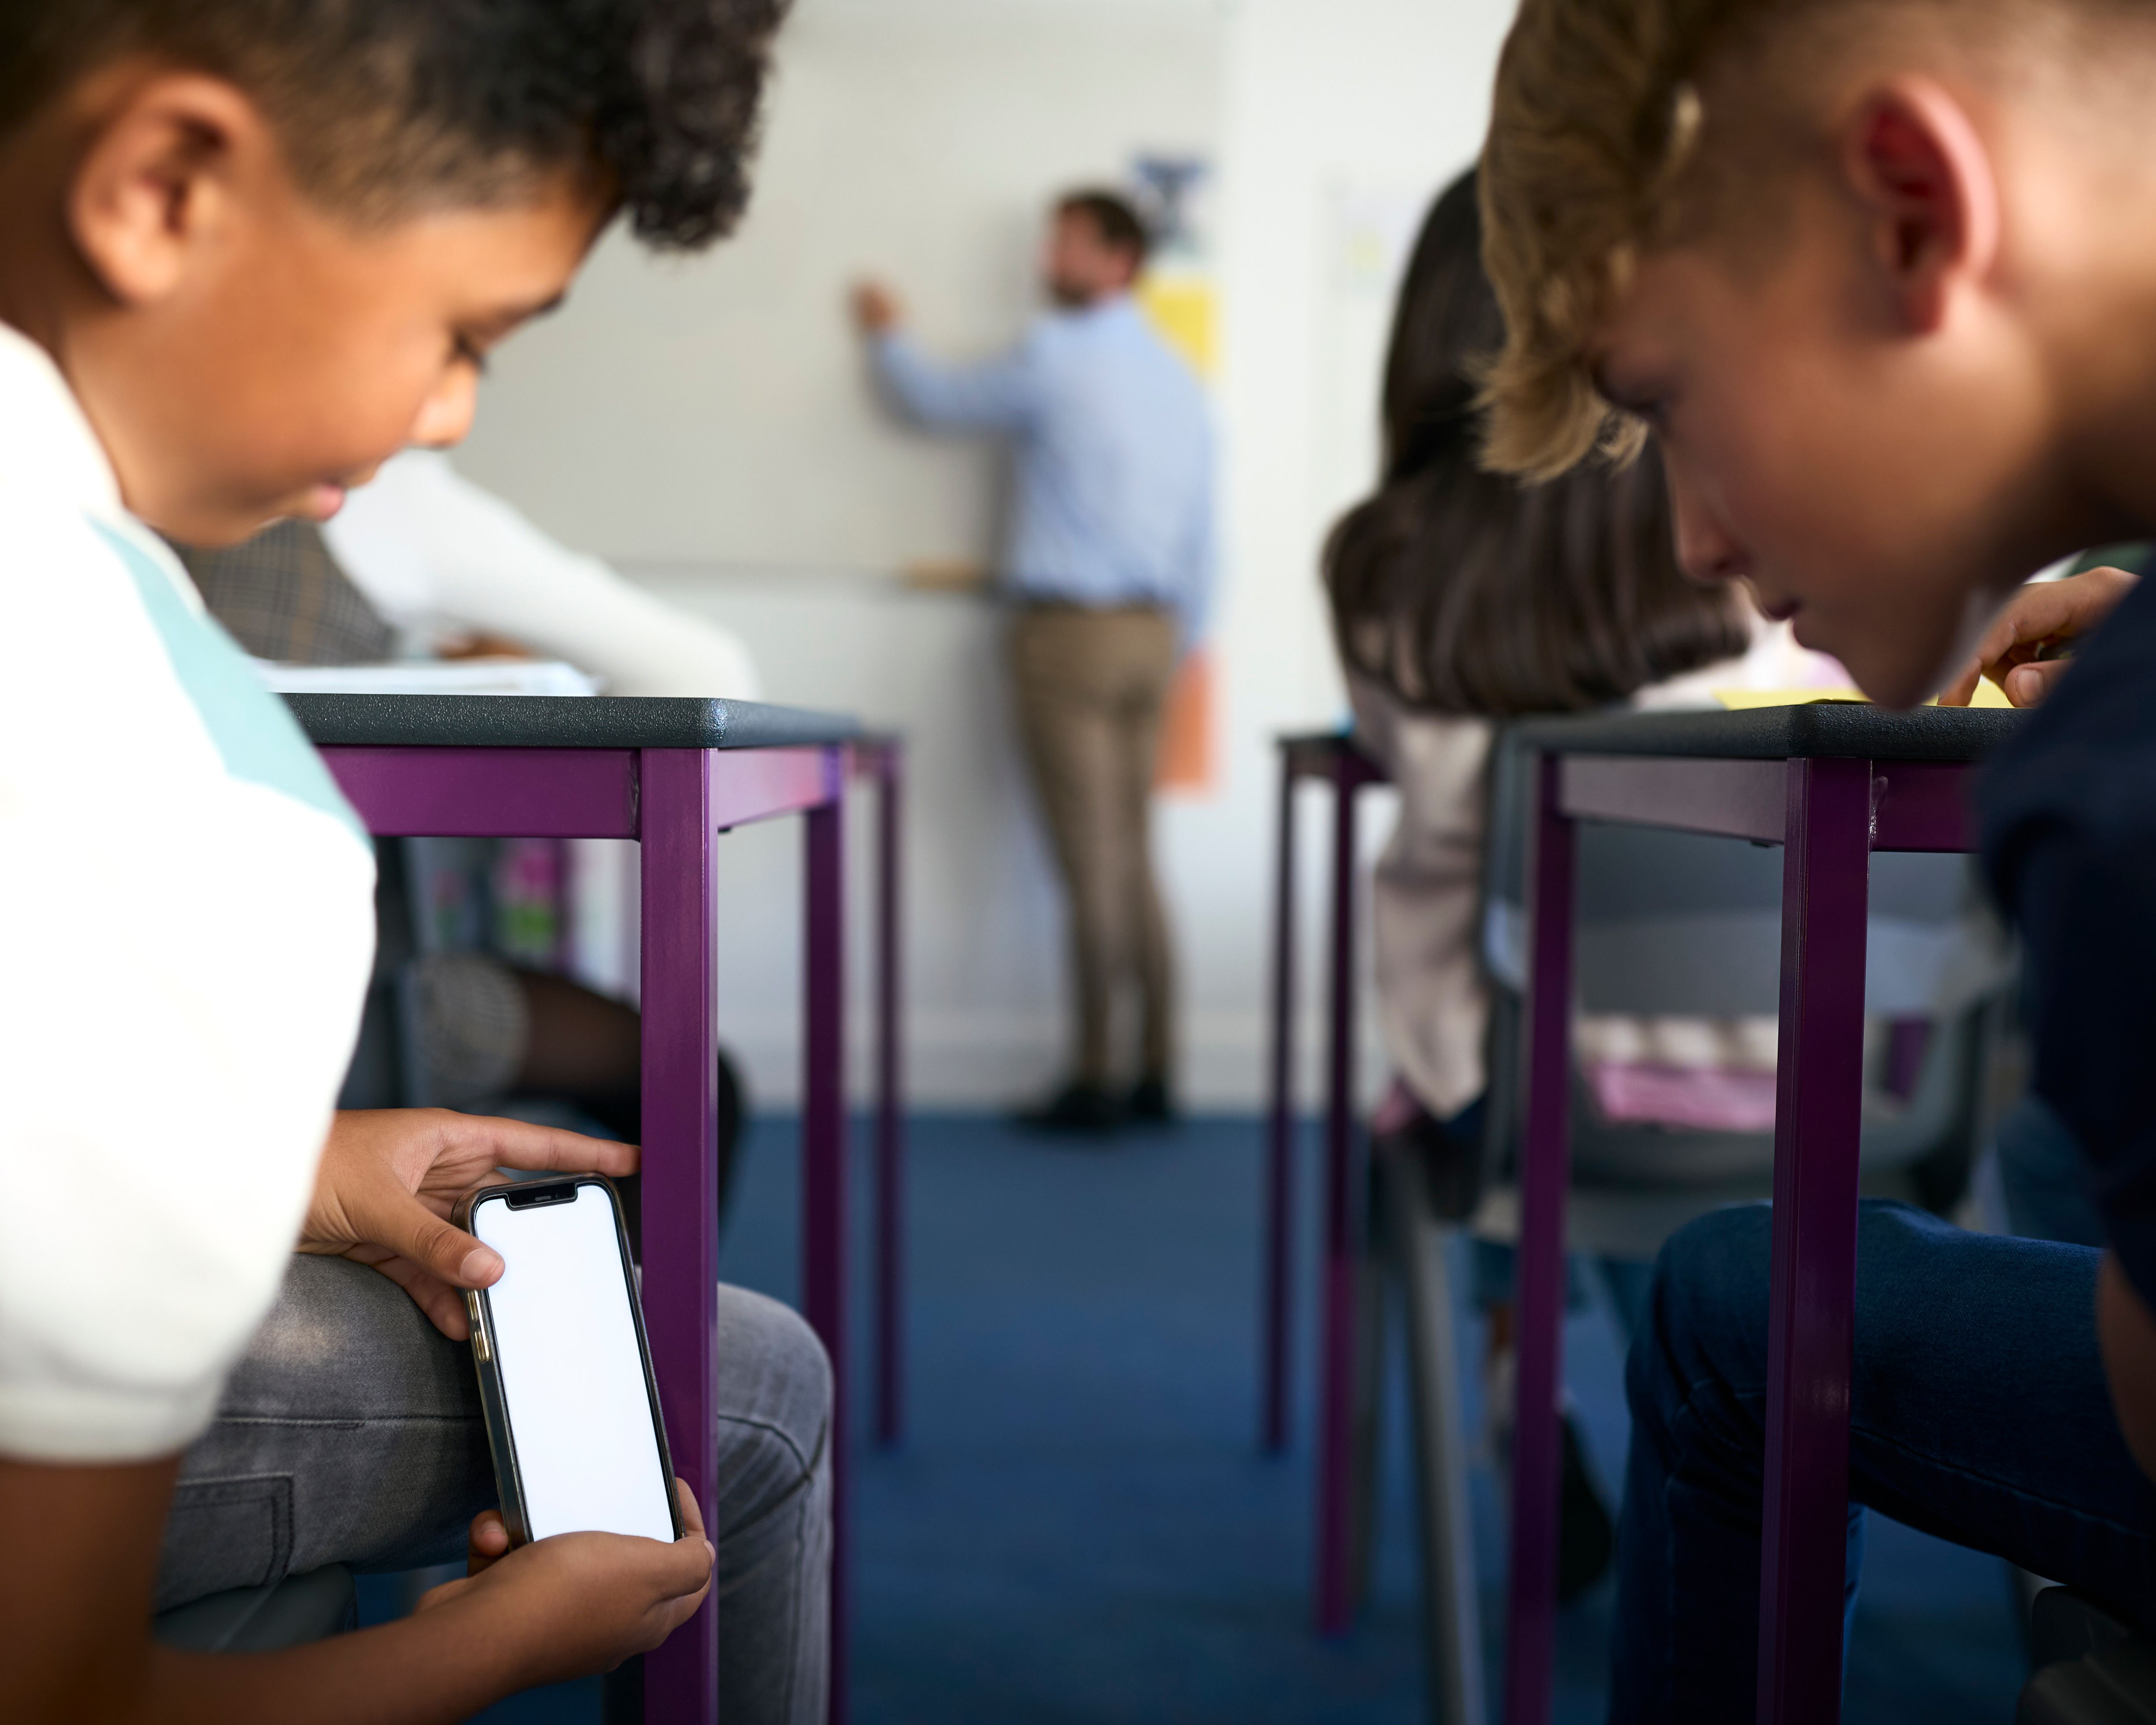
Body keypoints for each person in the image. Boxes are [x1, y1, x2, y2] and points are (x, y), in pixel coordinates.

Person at [0, 3, 833, 1723]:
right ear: (160, 189)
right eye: (463, 331)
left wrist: (282, 1168)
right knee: (747, 1389)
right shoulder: (197, 806)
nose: (448, 415)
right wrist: (502, 1637)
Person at [1477, 0, 2156, 1713]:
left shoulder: (2113, 788)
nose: (1697, 535)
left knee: (1731, 1302)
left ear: (1911, 216)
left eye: (1676, 401)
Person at [850, 189, 1214, 1134]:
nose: (1046, 258)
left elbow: (936, 401)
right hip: (1154, 634)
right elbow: (1213, 540)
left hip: (1069, 638)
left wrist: (890, 336)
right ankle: (1159, 1069)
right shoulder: (1182, 378)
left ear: (1117, 259)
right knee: (1134, 858)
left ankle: (1096, 1075)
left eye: (1066, 245)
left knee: (1092, 861)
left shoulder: (1056, 356)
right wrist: (1180, 642)